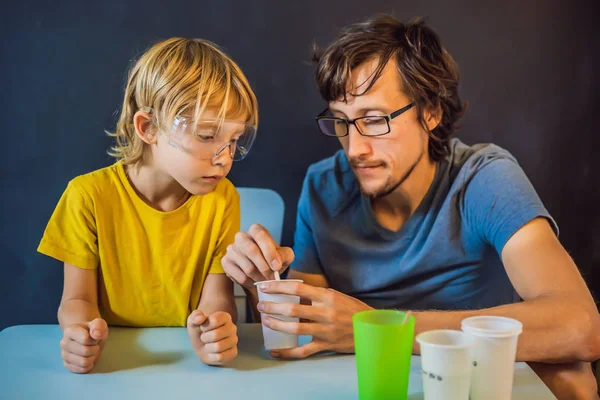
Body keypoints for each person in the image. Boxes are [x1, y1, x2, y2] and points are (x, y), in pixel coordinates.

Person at [222, 16, 600, 398]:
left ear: (430, 113)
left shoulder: (483, 179)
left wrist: (378, 327)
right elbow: (304, 334)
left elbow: (580, 326)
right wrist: (263, 287)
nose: (355, 149)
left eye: (374, 120)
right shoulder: (324, 186)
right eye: (341, 122)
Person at [38, 37, 258, 372]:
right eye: (206, 136)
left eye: (234, 140)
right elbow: (77, 299)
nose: (224, 159)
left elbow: (217, 296)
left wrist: (214, 329)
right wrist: (79, 333)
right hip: (115, 362)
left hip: (184, 364)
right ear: (148, 128)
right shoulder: (88, 195)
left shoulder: (223, 198)